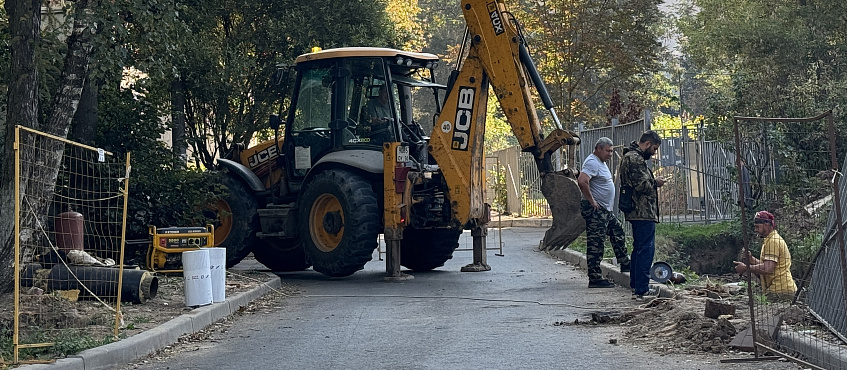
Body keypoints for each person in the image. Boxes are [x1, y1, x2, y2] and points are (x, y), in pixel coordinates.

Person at [578, 137, 631, 288]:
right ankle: (595, 278)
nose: (610, 154)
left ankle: (625, 263)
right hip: (596, 210)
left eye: (612, 151)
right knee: (596, 243)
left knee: (617, 231)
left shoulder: (600, 162)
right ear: (598, 149)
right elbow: (582, 181)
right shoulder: (592, 162)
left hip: (604, 210)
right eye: (608, 151)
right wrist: (592, 201)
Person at [619, 130, 665, 300]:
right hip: (642, 210)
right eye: (654, 148)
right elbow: (641, 185)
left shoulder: (629, 156)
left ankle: (637, 285)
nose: (654, 153)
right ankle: (642, 288)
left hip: (636, 210)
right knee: (646, 249)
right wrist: (656, 183)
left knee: (639, 248)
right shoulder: (635, 159)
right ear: (646, 144)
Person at [733, 210, 797, 298]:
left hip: (780, 291)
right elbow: (767, 265)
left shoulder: (773, 241)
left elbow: (767, 269)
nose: (755, 230)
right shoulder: (770, 240)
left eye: (757, 227)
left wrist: (745, 268)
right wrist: (751, 260)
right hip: (779, 289)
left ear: (766, 225)